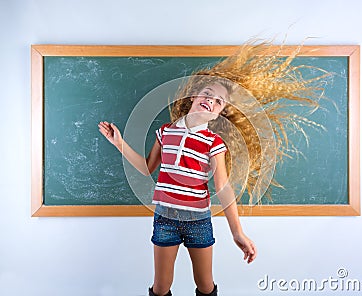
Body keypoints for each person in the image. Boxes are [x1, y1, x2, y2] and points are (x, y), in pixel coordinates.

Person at [98, 78, 257, 296]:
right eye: (208, 94)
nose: (211, 101)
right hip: (165, 219)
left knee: (205, 285)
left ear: (219, 113)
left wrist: (237, 232)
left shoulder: (213, 142)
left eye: (219, 102)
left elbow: (223, 187)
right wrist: (119, 143)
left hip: (198, 221)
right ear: (193, 95)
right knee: (161, 288)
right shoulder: (165, 132)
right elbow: (147, 168)